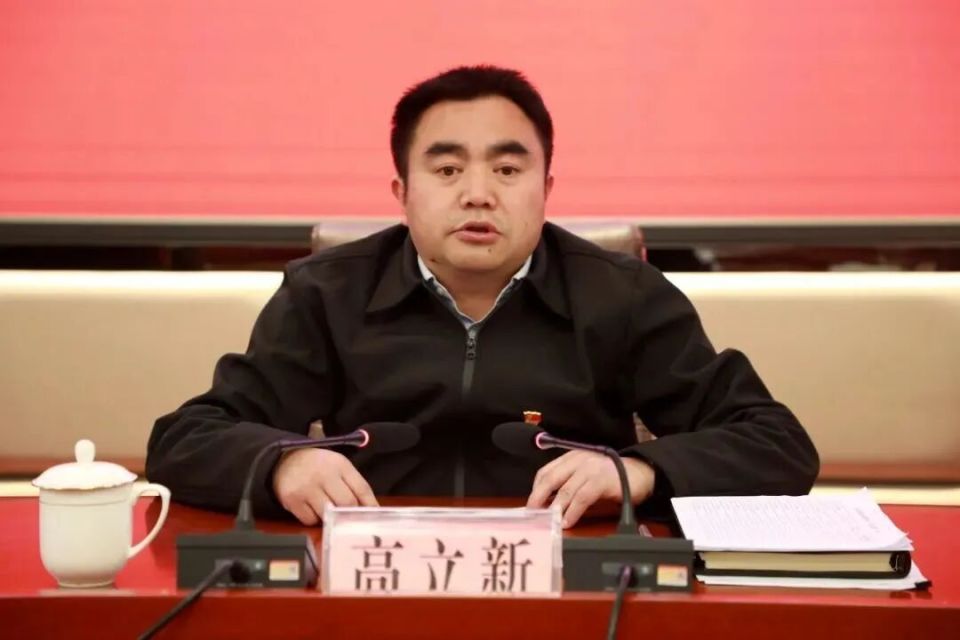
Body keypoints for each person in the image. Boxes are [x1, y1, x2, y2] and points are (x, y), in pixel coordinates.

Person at [146, 65, 818, 529]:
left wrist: (640, 472)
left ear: (546, 189)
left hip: (573, 587)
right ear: (402, 193)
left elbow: (776, 444)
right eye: (446, 169)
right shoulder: (327, 291)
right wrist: (280, 464)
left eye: (506, 168)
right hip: (370, 581)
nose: (477, 194)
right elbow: (186, 440)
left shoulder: (624, 296)